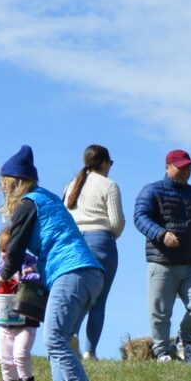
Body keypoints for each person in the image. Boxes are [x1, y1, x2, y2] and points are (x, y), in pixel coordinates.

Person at [0, 145, 106, 381]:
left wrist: (5, 273)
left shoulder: (28, 203)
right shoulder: (47, 198)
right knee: (62, 339)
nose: (4, 190)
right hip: (88, 272)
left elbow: (16, 244)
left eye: (4, 184)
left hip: (71, 272)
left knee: (55, 339)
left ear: (13, 182)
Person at [135, 149, 191, 360]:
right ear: (168, 167)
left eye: (187, 168)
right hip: (161, 261)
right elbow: (140, 217)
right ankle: (161, 351)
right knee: (161, 312)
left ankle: (183, 341)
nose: (185, 171)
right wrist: (161, 234)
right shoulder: (152, 190)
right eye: (180, 167)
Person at [63, 144, 123, 357]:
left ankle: (71, 337)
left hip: (75, 242)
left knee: (77, 297)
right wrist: (109, 235)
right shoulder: (109, 185)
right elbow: (116, 223)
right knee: (99, 301)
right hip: (101, 241)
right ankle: (90, 351)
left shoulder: (72, 185)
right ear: (105, 163)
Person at [0, 216, 40, 381]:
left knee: (20, 354)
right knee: (6, 358)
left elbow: (39, 278)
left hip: (26, 320)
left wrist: (29, 275)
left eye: (11, 249)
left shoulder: (30, 263)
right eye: (3, 250)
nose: (6, 254)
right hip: (5, 320)